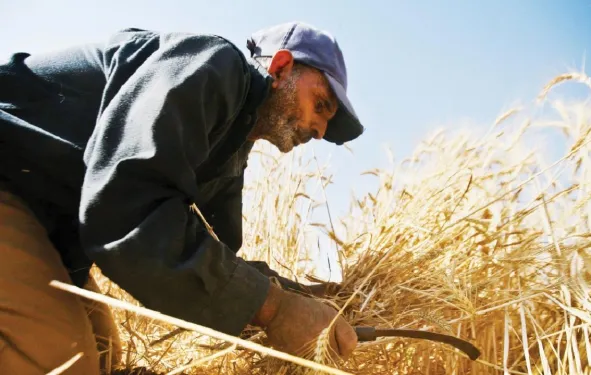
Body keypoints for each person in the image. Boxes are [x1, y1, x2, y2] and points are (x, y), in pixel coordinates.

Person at [0, 21, 364, 374]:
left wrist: (307, 297)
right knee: (60, 358)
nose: (320, 131)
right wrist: (277, 309)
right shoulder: (214, 65)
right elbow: (128, 204)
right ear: (281, 67)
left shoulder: (231, 152)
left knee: (104, 354)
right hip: (10, 181)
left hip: (46, 229)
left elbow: (215, 257)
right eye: (321, 105)